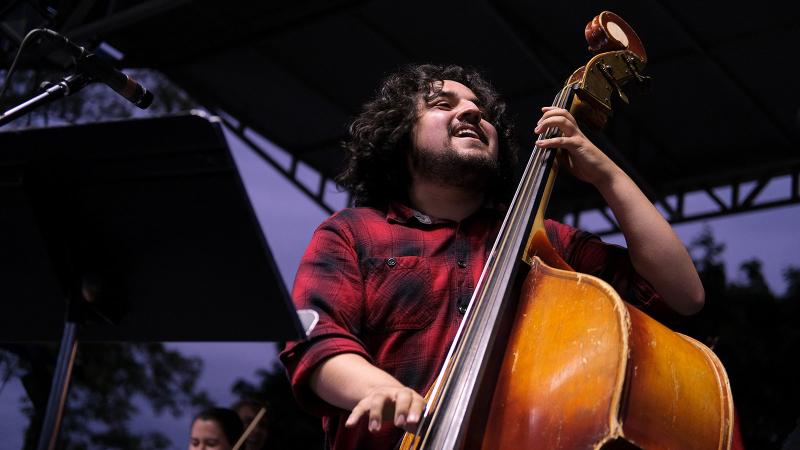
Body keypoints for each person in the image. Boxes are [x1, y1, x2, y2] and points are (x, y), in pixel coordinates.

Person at [279, 63, 705, 449]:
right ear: (400, 135)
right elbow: (313, 340)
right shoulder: (353, 232)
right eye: (443, 104)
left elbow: (681, 294)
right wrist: (376, 388)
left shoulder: (544, 243)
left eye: (480, 109)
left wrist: (605, 172)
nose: (471, 113)